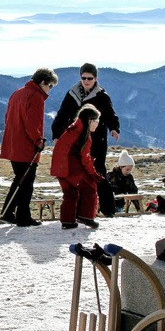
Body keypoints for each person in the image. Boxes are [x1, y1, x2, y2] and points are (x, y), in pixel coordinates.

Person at [51, 63, 120, 217]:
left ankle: (108, 211)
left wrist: (114, 128)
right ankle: (82, 213)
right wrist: (56, 134)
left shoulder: (102, 95)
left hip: (97, 139)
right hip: (77, 141)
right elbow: (62, 114)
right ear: (80, 77)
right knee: (80, 175)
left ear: (95, 78)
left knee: (98, 172)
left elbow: (110, 114)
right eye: (84, 78)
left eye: (90, 78)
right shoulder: (72, 94)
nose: (86, 81)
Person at [0, 67, 58, 226]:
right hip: (26, 147)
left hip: (12, 143)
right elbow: (33, 124)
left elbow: (7, 117)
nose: (49, 90)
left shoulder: (18, 93)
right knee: (26, 182)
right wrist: (39, 140)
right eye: (50, 86)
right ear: (43, 82)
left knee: (20, 179)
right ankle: (23, 217)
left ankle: (8, 212)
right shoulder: (36, 96)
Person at [51, 104, 103, 229]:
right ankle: (86, 216)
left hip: (59, 168)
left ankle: (68, 221)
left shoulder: (72, 129)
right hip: (70, 167)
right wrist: (93, 174)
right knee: (90, 187)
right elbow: (85, 158)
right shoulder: (84, 135)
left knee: (70, 193)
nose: (98, 123)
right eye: (97, 120)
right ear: (90, 120)